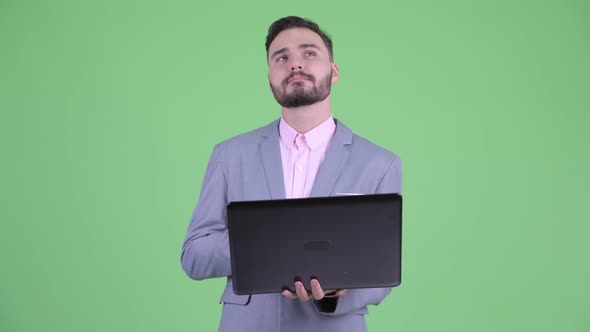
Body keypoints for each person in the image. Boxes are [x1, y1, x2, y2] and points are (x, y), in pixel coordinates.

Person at [180, 16, 402, 332]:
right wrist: (262, 244)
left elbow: (381, 274)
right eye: (281, 57)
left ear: (334, 71)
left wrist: (334, 293)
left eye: (309, 53)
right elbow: (194, 255)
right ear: (270, 76)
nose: (295, 64)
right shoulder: (229, 155)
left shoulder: (380, 163)